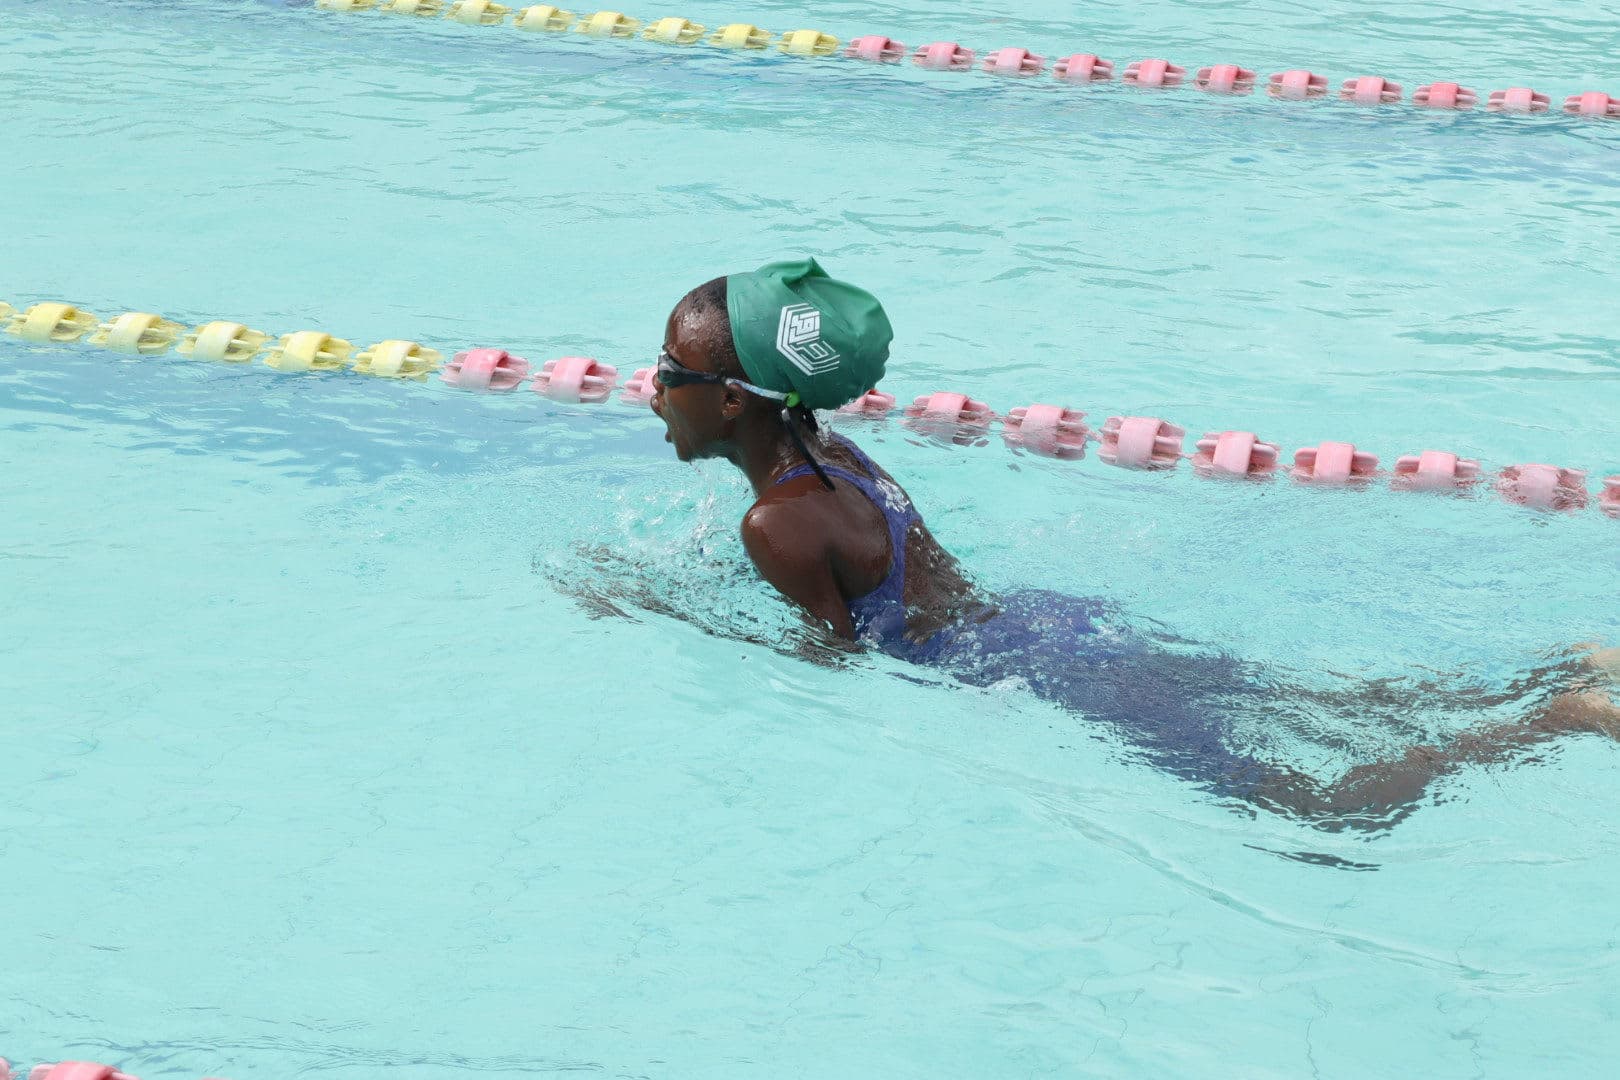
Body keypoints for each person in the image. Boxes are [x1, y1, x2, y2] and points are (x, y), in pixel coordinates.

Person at [649, 257, 1619, 829]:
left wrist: (663, 608)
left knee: (1324, 810)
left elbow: (834, 665)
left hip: (1035, 673)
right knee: (1339, 703)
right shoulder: (835, 449)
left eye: (669, 372)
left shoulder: (774, 523)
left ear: (733, 400)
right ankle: (1562, 666)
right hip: (1052, 627)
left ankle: (1562, 715)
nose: (652, 389)